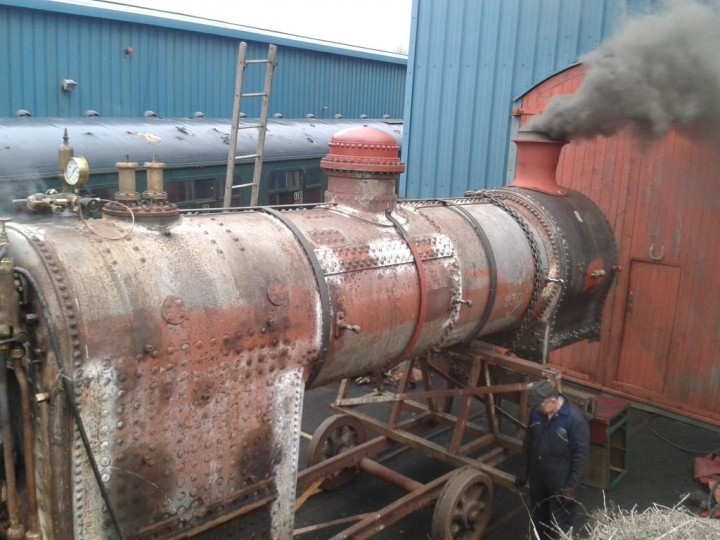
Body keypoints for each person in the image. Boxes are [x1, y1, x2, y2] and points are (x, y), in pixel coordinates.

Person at [515, 379, 590, 539]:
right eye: (535, 407)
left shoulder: (574, 420)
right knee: (540, 521)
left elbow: (581, 456)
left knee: (560, 526)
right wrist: (523, 471)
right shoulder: (537, 414)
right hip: (538, 481)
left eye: (540, 406)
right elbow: (528, 442)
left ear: (553, 399)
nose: (538, 410)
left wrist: (572, 486)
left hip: (560, 485)